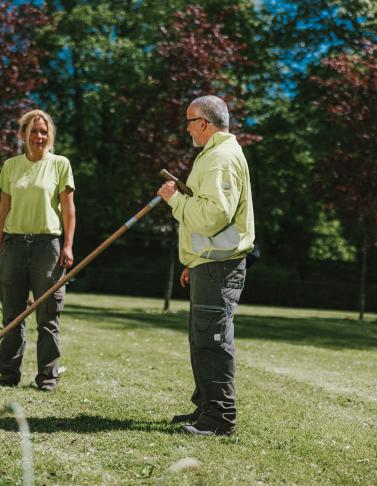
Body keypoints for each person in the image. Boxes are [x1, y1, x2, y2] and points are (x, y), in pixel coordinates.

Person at [157, 95, 255, 436]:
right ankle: (205, 408)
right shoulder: (212, 156)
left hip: (221, 265)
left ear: (203, 123)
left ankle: (219, 419)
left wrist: (174, 200)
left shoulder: (220, 158)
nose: (186, 128)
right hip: (209, 263)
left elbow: (213, 215)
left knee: (212, 338)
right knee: (201, 338)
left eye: (188, 121)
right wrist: (193, 261)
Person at [0, 109, 76, 392]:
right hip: (13, 245)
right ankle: (8, 375)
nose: (39, 136)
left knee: (48, 316)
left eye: (43, 131)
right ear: (23, 135)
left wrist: (68, 245)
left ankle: (48, 378)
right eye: (33, 131)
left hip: (47, 248)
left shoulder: (60, 164)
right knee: (12, 315)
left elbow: (68, 209)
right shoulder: (11, 166)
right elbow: (3, 210)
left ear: (49, 135)